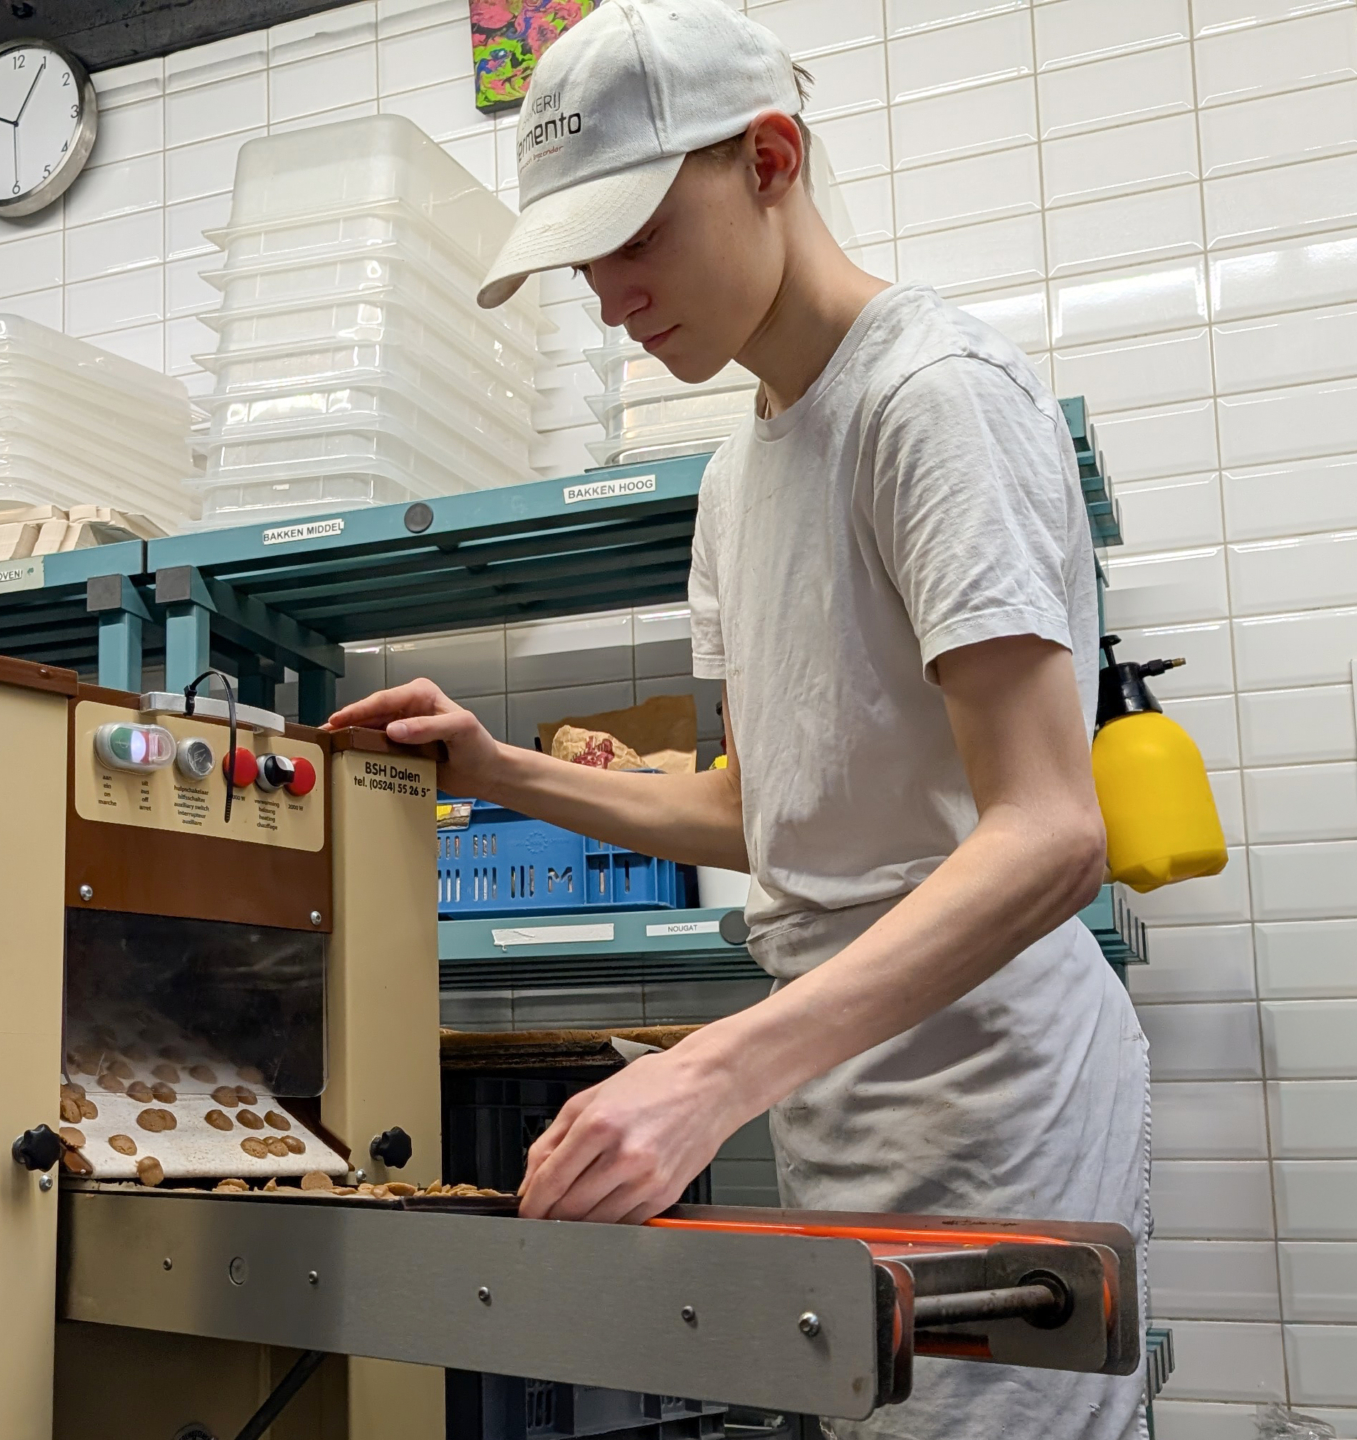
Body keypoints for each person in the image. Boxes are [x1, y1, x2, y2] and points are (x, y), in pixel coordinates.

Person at [329, 3, 1149, 1436]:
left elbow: (1051, 834)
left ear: (770, 157)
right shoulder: (738, 477)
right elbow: (758, 810)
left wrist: (714, 1072)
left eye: (636, 239)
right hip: (845, 1088)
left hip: (999, 1100)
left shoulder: (932, 401)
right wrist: (498, 767)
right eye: (588, 261)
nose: (609, 298)